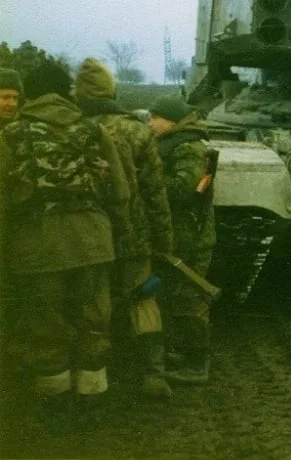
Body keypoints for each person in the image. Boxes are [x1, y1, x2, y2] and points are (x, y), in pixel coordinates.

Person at [0, 61, 130, 400]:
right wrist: (120, 234)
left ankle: (54, 398)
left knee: (46, 323)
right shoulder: (93, 130)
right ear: (66, 93)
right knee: (92, 318)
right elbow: (120, 192)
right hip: (93, 242)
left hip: (37, 245)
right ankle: (92, 391)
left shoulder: (11, 134)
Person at [75, 58, 176, 399]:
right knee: (143, 297)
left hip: (87, 236)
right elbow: (155, 193)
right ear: (112, 90)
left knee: (91, 302)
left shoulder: (71, 127)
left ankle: (96, 376)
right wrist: (164, 239)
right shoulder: (137, 130)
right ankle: (154, 374)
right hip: (133, 232)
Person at [148, 97, 216, 385]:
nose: (150, 123)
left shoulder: (188, 147)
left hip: (191, 238)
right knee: (174, 298)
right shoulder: (175, 144)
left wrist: (148, 183)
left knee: (189, 301)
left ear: (172, 121)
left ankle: (197, 363)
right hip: (180, 235)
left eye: (155, 118)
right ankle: (184, 353)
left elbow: (185, 189)